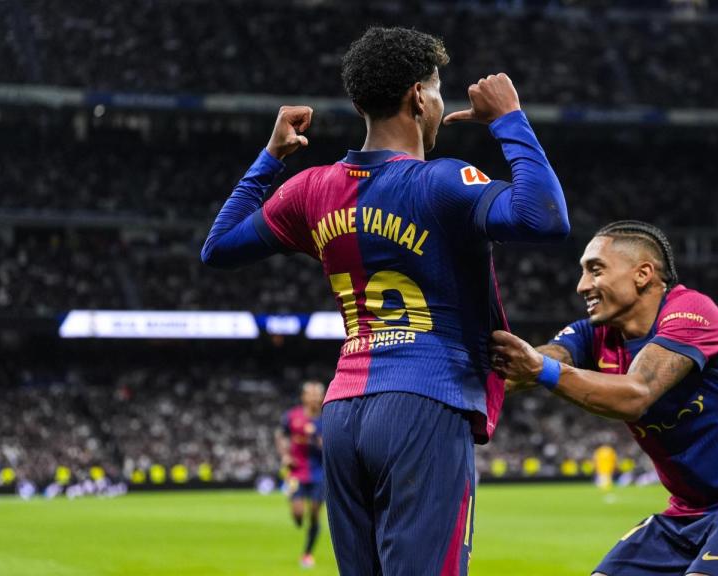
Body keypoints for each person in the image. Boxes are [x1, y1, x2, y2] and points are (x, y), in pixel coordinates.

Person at [200, 26, 569, 576]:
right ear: (419, 97)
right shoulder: (441, 182)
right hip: (426, 402)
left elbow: (219, 247)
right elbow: (547, 217)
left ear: (357, 103)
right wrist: (510, 120)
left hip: (343, 413)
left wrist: (271, 156)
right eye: (439, 89)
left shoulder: (311, 189)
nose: (443, 103)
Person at [491, 221, 718, 576]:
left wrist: (539, 370)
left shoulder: (692, 312)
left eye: (595, 270)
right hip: (685, 516)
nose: (582, 285)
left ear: (643, 273)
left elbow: (635, 395)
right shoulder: (595, 336)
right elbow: (540, 361)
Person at [275, 381, 326, 568]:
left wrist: (319, 440)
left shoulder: (327, 418)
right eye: (310, 394)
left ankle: (307, 553)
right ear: (304, 397)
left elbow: (331, 446)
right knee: (298, 513)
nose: (313, 398)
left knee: (314, 513)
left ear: (322, 397)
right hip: (295, 472)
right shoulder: (292, 416)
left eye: (316, 394)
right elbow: (280, 435)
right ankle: (298, 518)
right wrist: (285, 455)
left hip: (319, 473)